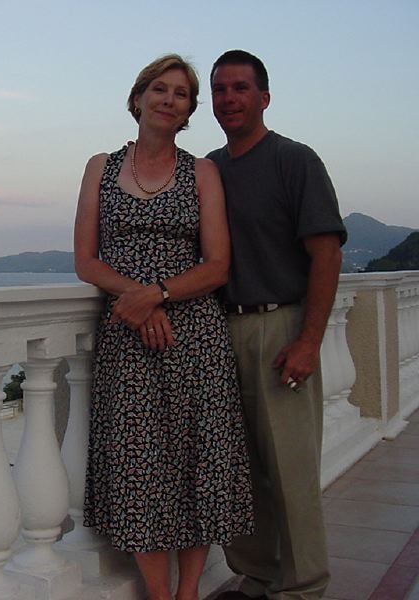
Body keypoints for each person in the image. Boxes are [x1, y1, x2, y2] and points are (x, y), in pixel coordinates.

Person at [74, 53, 254, 600]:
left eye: (181, 94)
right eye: (159, 89)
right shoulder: (101, 167)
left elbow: (217, 265)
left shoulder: (202, 172)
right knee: (139, 464)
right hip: (128, 339)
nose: (168, 100)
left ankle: (188, 591)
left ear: (188, 112)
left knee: (198, 460)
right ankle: (160, 593)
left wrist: (156, 294)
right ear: (137, 99)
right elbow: (86, 260)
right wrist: (139, 301)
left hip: (195, 335)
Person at [206, 50, 347, 600]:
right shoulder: (208, 169)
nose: (229, 99)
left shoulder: (294, 160)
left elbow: (326, 253)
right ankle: (257, 576)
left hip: (280, 327)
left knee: (291, 470)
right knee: (236, 470)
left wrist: (308, 340)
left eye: (240, 88)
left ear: (264, 97)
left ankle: (304, 587)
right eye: (219, 89)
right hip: (220, 330)